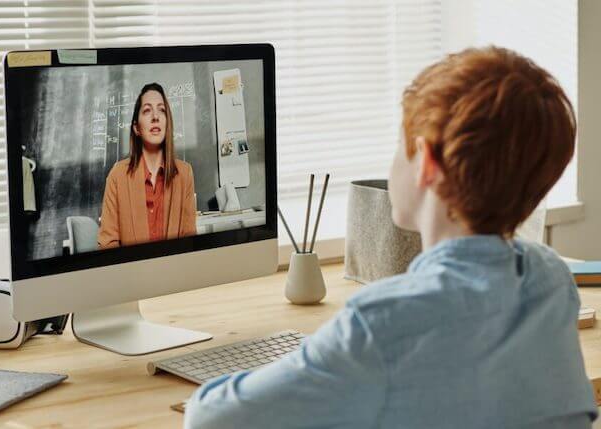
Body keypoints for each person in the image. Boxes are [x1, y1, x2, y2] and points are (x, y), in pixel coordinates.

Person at [184, 47, 598, 428]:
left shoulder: (383, 323)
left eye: (400, 145)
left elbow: (210, 419)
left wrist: (306, 365)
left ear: (428, 164)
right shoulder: (549, 280)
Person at [98, 83, 197, 249]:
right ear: (137, 127)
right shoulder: (117, 175)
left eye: (161, 110)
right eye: (147, 110)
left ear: (167, 123)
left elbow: (189, 241)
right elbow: (108, 244)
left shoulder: (184, 174)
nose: (155, 117)